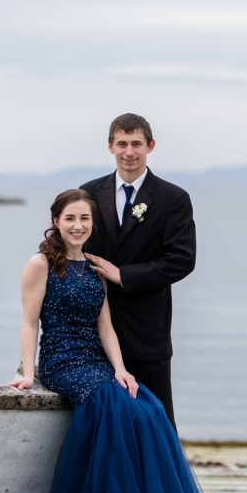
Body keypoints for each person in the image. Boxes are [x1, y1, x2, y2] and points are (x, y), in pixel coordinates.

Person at [5, 189, 209, 493]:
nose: (78, 225)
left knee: (146, 407)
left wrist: (120, 369)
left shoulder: (94, 267)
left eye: (84, 218)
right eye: (70, 218)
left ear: (92, 224)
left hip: (96, 361)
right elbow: (29, 323)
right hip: (62, 361)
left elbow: (106, 328)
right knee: (112, 405)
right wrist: (26, 372)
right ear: (56, 221)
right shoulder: (40, 264)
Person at [80, 113, 196, 432]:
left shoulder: (173, 198)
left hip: (147, 331)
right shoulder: (87, 193)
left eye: (136, 144)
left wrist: (124, 275)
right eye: (122, 143)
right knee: (103, 423)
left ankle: (161, 482)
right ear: (110, 147)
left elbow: (182, 259)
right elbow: (73, 248)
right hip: (93, 330)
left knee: (156, 421)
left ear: (150, 146)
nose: (128, 151)